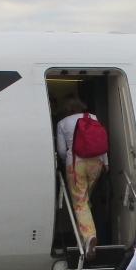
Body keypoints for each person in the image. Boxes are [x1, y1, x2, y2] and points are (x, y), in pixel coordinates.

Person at [55, 95, 107, 258]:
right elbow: (101, 141)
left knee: (80, 203)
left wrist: (65, 162)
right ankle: (83, 235)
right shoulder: (93, 117)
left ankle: (89, 236)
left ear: (66, 109)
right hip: (96, 163)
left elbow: (62, 150)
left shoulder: (62, 123)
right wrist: (105, 162)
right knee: (86, 199)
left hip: (76, 163)